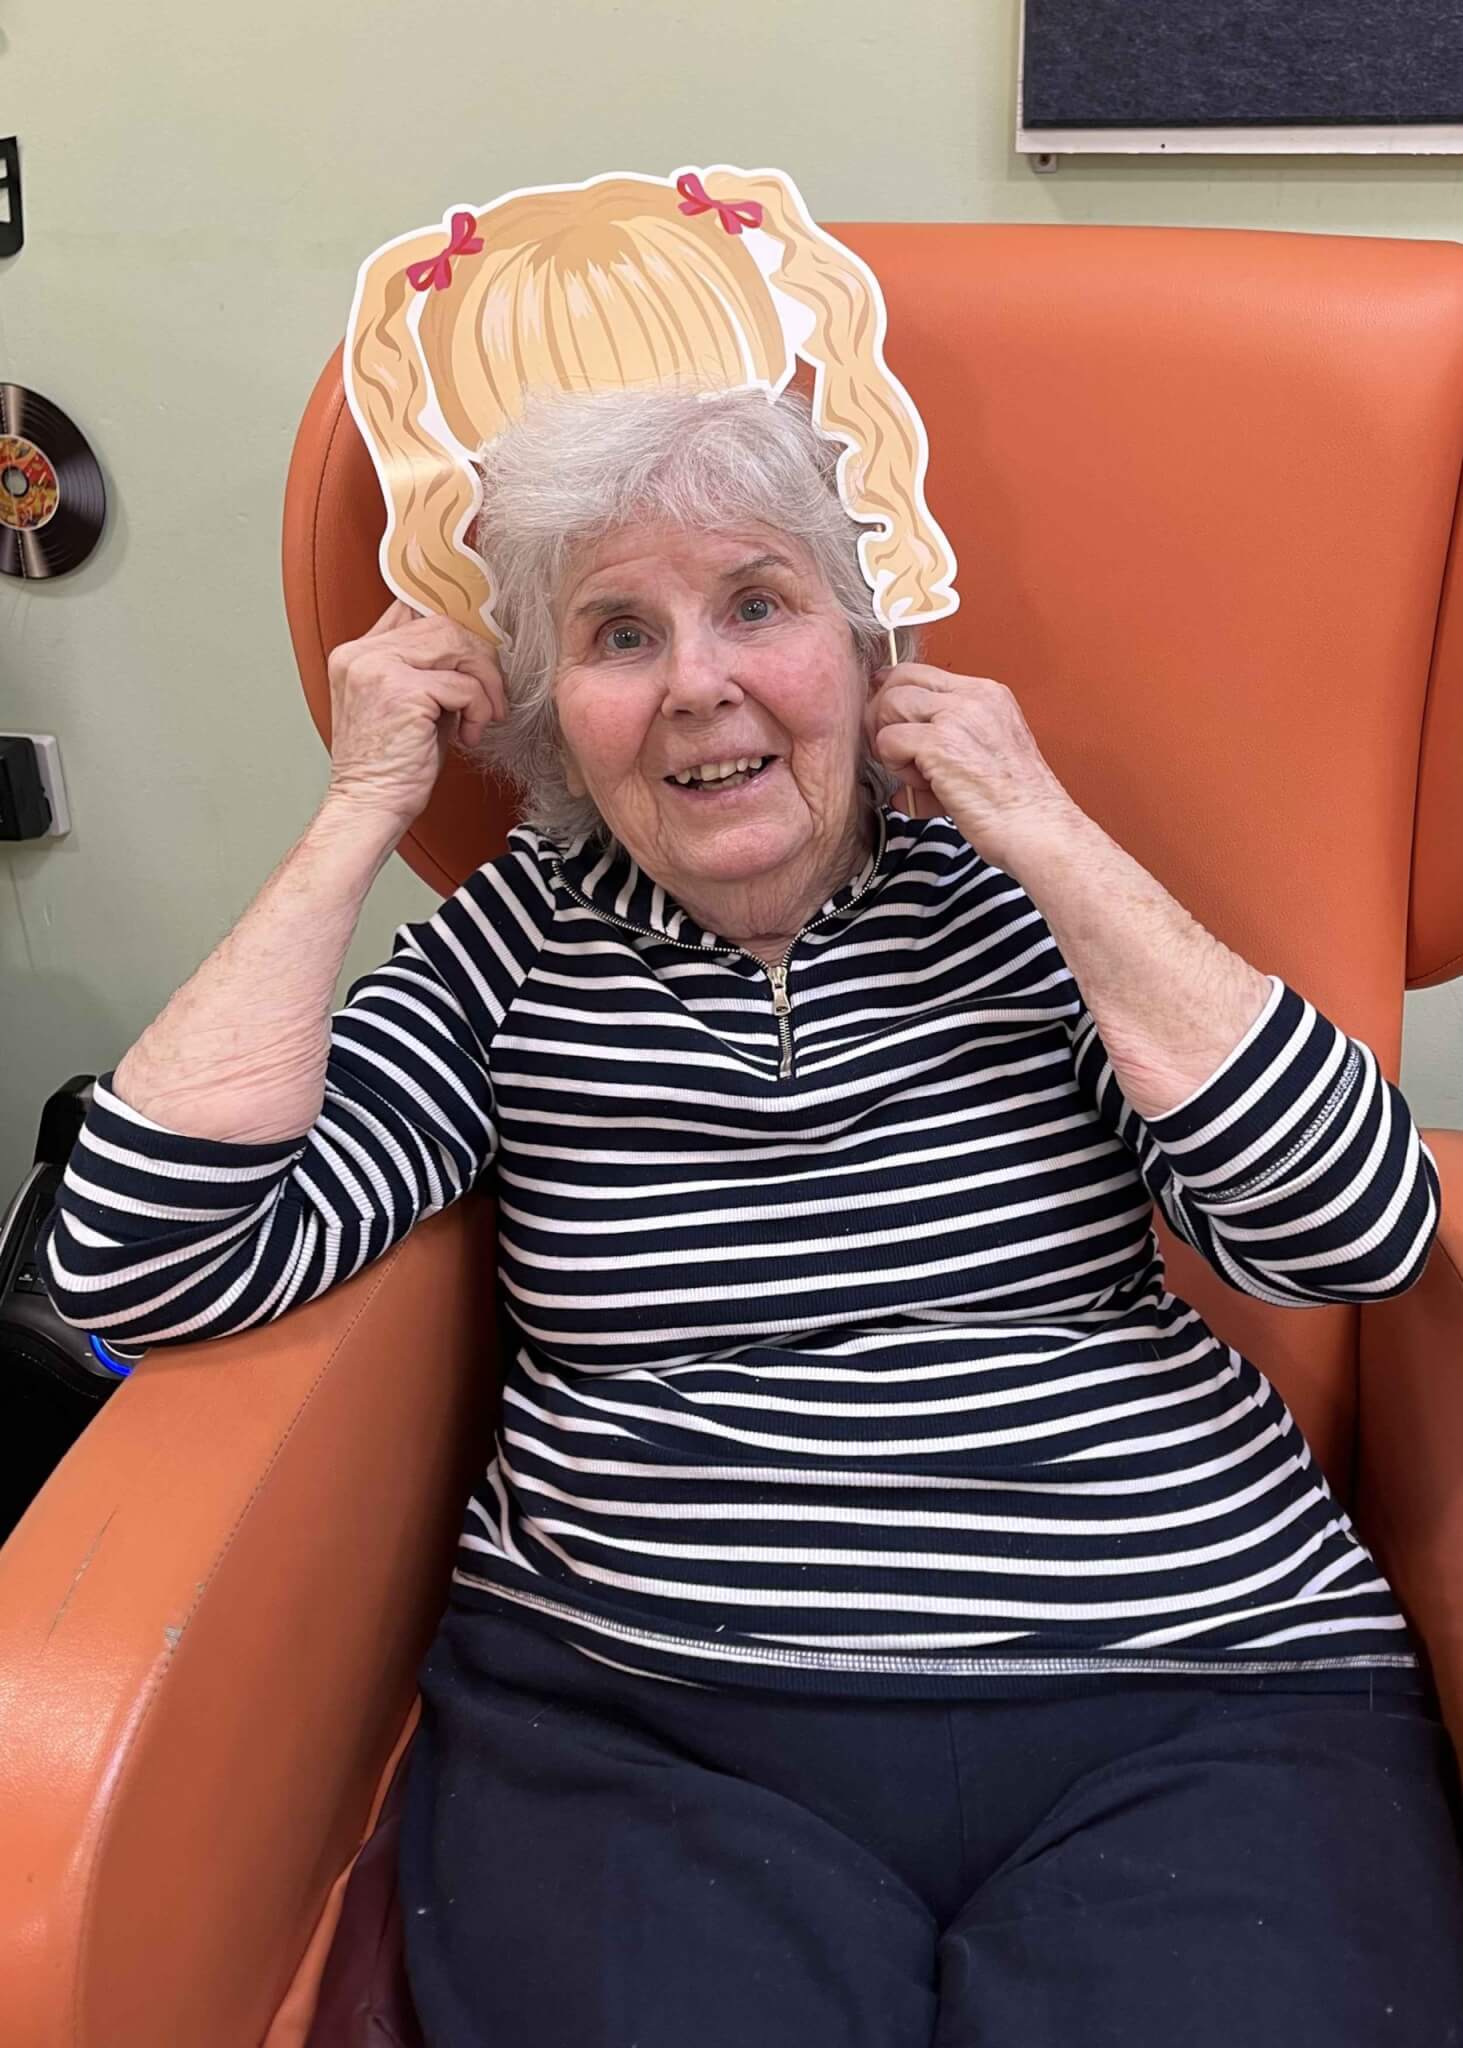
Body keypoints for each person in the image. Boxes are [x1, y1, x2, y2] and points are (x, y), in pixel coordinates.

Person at [38, 381, 1463, 2046]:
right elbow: (138, 1261)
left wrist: (1046, 831)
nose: (698, 683)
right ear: (550, 712)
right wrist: (360, 809)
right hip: (650, 1723)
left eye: (760, 605)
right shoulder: (510, 951)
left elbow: (1357, 1231)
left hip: (1199, 1682)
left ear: (867, 655)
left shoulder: (1027, 897)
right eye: (618, 634)